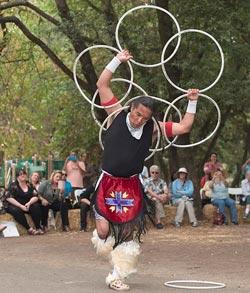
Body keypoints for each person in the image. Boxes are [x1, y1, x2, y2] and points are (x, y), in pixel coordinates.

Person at [91, 50, 199, 291]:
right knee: (102, 232)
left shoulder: (153, 129)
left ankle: (117, 275)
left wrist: (192, 100)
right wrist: (118, 60)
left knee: (129, 230)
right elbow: (102, 83)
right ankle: (105, 237)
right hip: (108, 181)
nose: (140, 120)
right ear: (132, 108)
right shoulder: (116, 113)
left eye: (145, 117)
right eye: (137, 114)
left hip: (131, 184)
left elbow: (184, 126)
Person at [4, 169, 44, 235]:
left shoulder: (30, 185)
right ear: (17, 177)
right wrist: (20, 206)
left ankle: (38, 227)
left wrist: (29, 203)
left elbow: (36, 196)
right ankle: (29, 229)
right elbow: (9, 197)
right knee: (16, 210)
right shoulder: (13, 185)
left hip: (27, 204)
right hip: (15, 205)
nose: (23, 175)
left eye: (24, 174)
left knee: (36, 206)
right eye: (20, 174)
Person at [144, 165, 169, 229]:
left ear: (159, 173)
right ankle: (158, 222)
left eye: (156, 172)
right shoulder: (147, 181)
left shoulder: (162, 181)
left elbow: (166, 190)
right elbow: (150, 192)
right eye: (153, 172)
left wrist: (164, 195)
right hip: (149, 199)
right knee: (157, 200)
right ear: (150, 173)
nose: (154, 174)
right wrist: (159, 197)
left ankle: (158, 221)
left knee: (159, 199)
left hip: (159, 197)